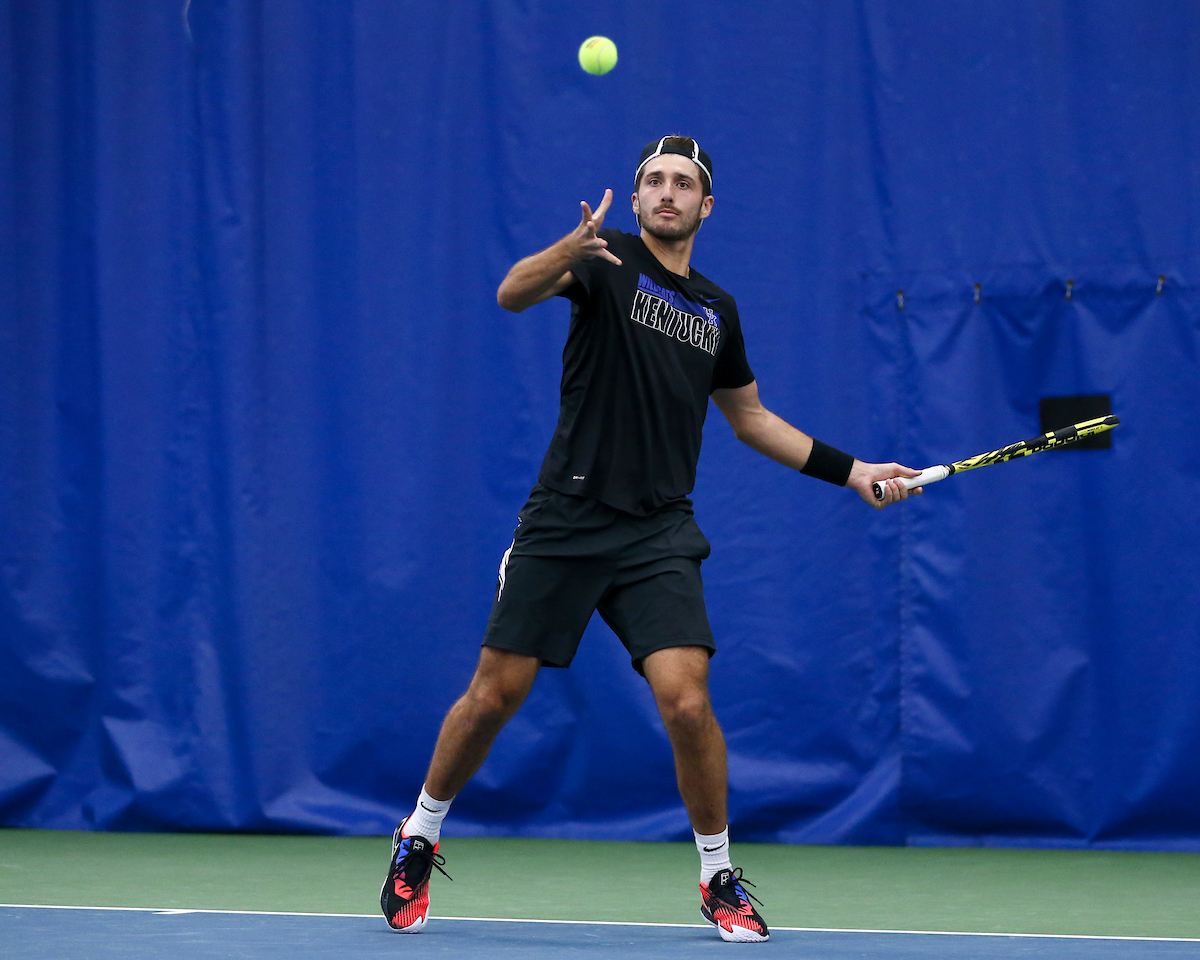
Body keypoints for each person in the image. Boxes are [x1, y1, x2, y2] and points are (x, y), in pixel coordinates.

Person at [381, 136, 921, 942]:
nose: (668, 193)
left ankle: (717, 876)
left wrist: (853, 472)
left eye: (684, 184)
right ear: (636, 202)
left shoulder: (717, 309)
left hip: (659, 530)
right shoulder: (602, 263)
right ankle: (418, 834)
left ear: (707, 205)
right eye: (654, 182)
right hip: (565, 517)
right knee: (494, 696)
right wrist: (564, 250)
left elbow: (751, 419)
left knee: (688, 701)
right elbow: (509, 293)